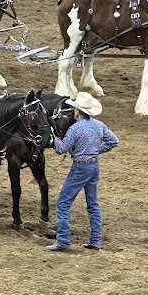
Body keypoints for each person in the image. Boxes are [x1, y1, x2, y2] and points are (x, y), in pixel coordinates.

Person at [45, 92, 119, 252]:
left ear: (77, 111)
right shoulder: (99, 125)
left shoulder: (75, 129)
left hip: (80, 168)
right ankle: (95, 241)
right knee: (93, 204)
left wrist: (51, 140)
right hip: (93, 167)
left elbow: (62, 149)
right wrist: (96, 150)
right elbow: (114, 141)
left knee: (63, 204)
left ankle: (63, 241)